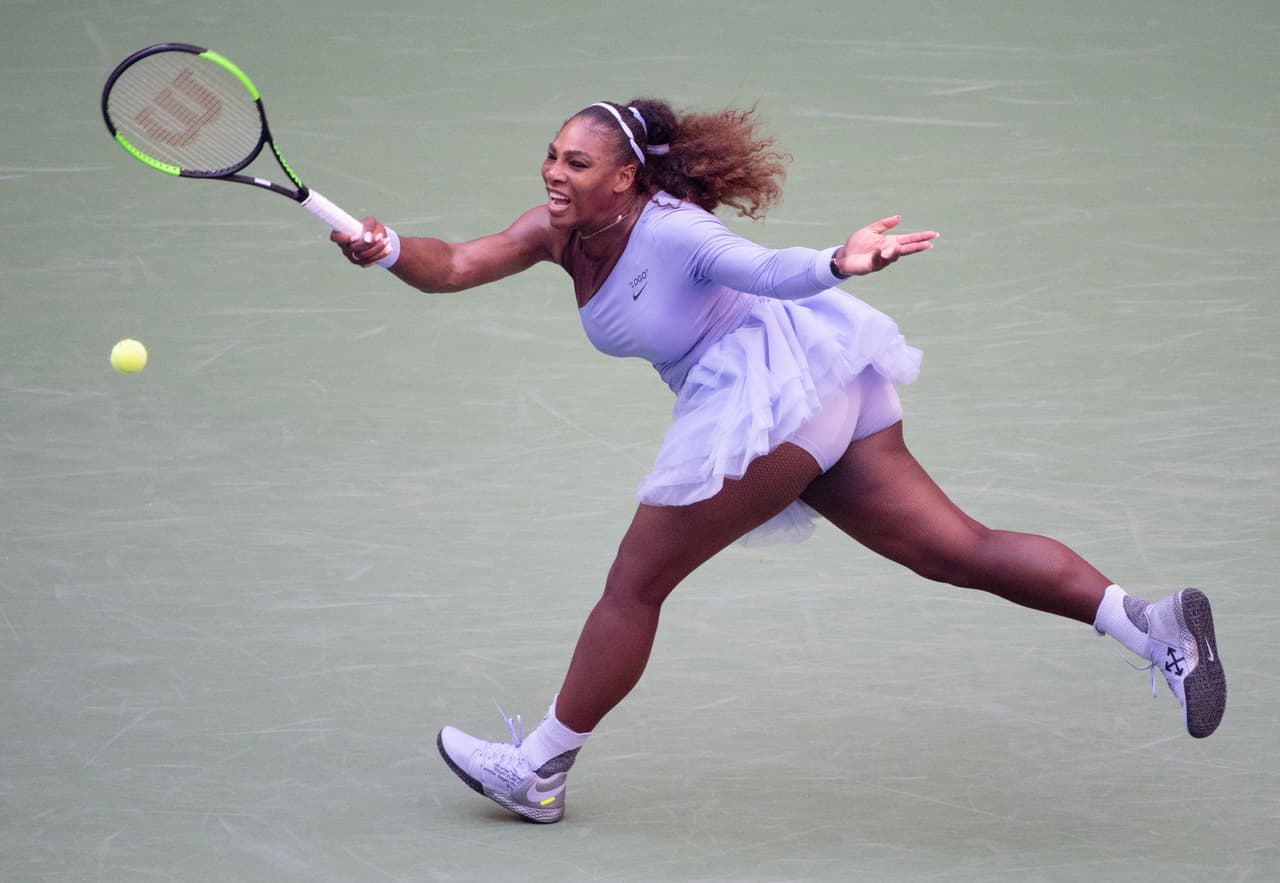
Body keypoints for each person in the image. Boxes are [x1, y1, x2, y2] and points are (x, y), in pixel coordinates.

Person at [332, 98, 1227, 824]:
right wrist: (390, 249)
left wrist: (840, 258)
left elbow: (761, 269)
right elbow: (453, 265)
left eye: (574, 162)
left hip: (768, 399)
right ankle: (1147, 624)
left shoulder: (672, 230)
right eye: (552, 154)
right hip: (824, 388)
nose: (553, 173)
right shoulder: (554, 229)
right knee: (955, 548)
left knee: (634, 584)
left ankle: (539, 769)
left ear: (626, 177)